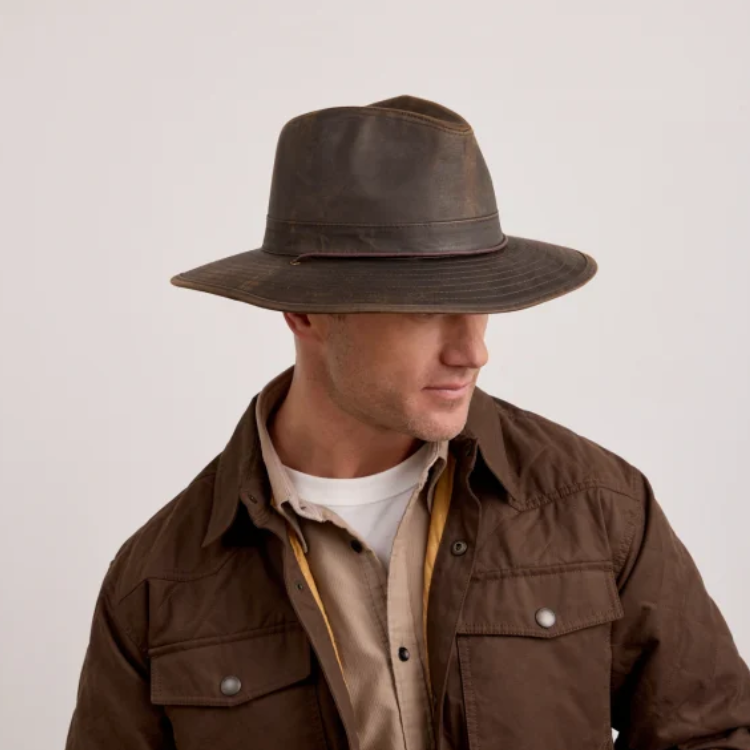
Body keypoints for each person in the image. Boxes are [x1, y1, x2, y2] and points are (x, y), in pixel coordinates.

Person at [65, 95, 750, 750]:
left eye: (480, 303)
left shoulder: (597, 507)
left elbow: (712, 734)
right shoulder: (159, 583)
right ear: (304, 312)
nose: (472, 351)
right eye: (426, 308)